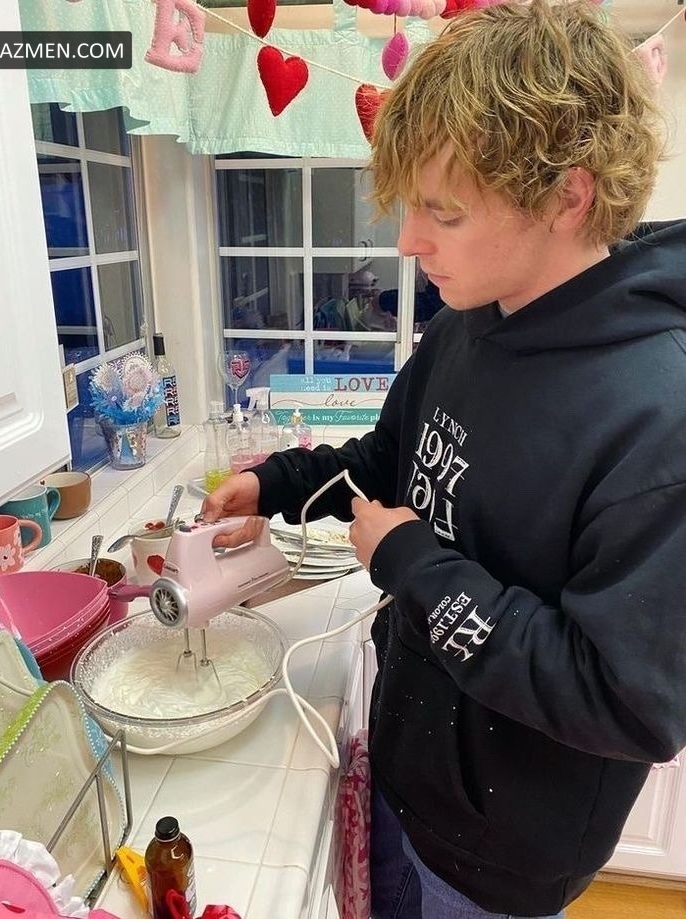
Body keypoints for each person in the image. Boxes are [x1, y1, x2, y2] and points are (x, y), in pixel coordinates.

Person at [202, 1, 686, 916]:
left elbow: (626, 702)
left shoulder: (660, 414)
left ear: (568, 196)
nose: (408, 241)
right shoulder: (469, 319)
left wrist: (414, 565)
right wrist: (275, 483)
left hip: (501, 854)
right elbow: (396, 456)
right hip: (409, 764)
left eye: (444, 212)